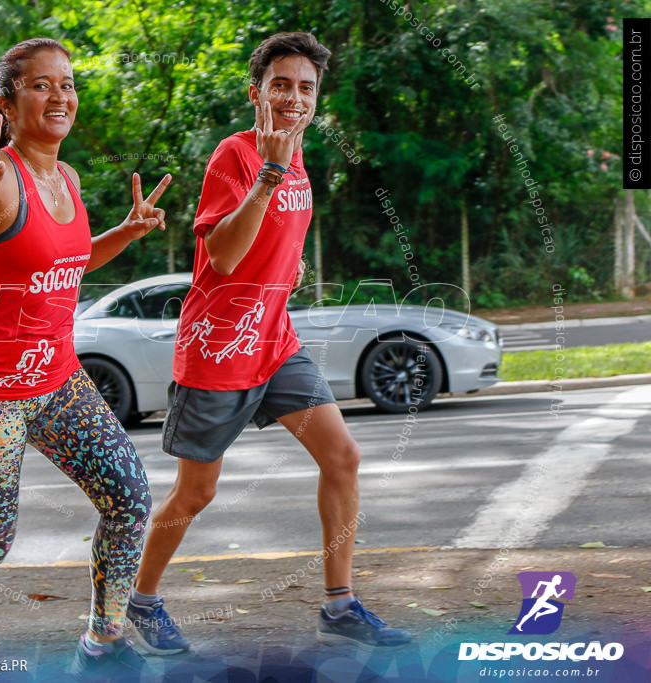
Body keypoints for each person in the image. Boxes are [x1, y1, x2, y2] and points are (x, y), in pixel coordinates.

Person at [125, 32, 411, 654]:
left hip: (276, 344)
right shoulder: (236, 155)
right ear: (257, 92)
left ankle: (340, 604)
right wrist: (269, 175)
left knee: (343, 457)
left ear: (317, 98)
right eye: (281, 84)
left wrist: (292, 263)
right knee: (197, 491)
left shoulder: (301, 157)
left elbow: (277, 233)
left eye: (306, 87)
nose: (294, 98)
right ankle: (141, 599)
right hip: (219, 349)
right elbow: (223, 255)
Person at [0, 37, 172, 677]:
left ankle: (103, 641)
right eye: (40, 84)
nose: (60, 95)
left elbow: (68, 264)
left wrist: (127, 232)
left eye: (68, 83)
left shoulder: (69, 177)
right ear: (6, 100)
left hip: (57, 382)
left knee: (129, 498)